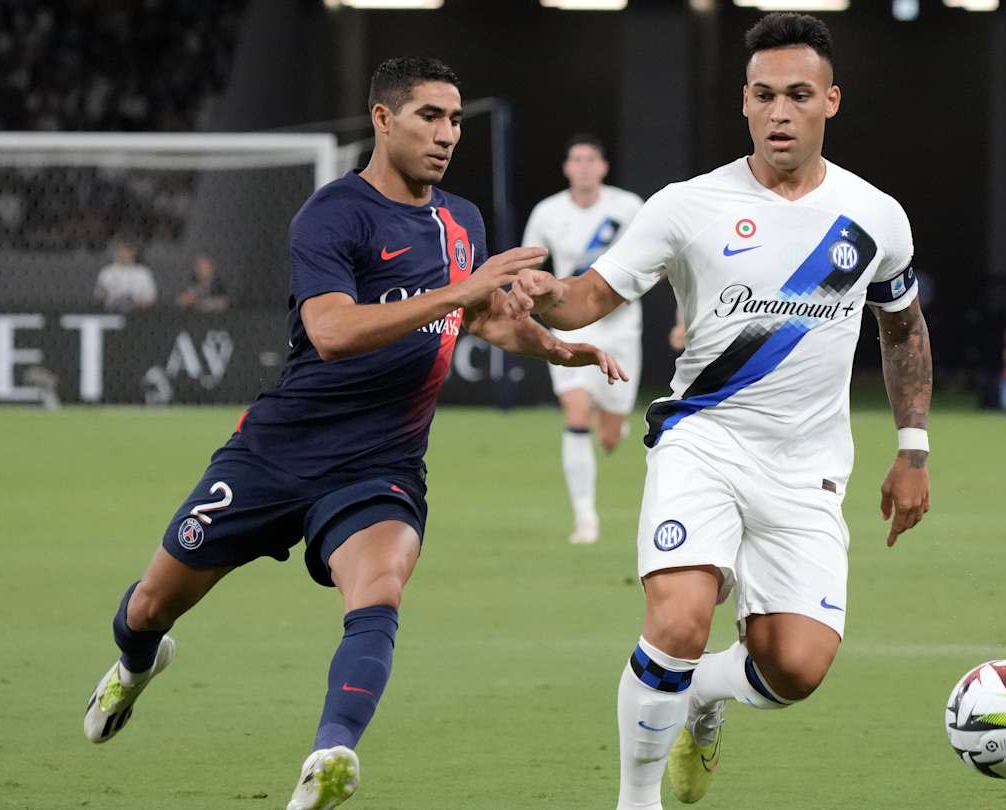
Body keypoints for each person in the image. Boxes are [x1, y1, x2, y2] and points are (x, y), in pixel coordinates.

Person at [80, 56, 626, 810]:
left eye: (455, 119)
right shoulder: (332, 214)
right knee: (149, 608)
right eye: (429, 116)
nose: (447, 134)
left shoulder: (461, 222)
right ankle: (135, 667)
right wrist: (458, 291)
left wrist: (558, 348)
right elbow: (332, 331)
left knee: (380, 590)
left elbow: (482, 316)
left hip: (382, 462)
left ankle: (330, 755)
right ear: (382, 119)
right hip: (277, 451)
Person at [509, 14, 933, 808]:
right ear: (744, 101)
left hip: (807, 467)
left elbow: (902, 327)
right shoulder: (687, 205)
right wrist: (544, 297)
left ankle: (703, 690)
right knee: (678, 620)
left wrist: (913, 448)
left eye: (798, 95)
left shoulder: (875, 216)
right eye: (764, 95)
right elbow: (589, 296)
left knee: (795, 668)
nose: (780, 112)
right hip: (702, 441)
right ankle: (636, 800)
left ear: (831, 101)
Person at [521, 134, 645, 544]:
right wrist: (524, 298)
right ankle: (585, 518)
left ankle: (613, 421)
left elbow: (662, 259)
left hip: (620, 325)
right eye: (577, 159)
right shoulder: (548, 212)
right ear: (567, 168)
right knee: (576, 412)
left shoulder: (628, 207)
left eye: (592, 159)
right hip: (571, 322)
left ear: (603, 167)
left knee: (609, 435)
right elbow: (529, 262)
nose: (585, 166)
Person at [94, 241, 158, 312]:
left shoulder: (143, 273)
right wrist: (103, 295)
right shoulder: (106, 271)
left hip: (138, 312)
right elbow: (98, 294)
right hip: (111, 311)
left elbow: (151, 298)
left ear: (133, 253)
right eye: (120, 251)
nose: (123, 254)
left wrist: (135, 303)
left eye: (126, 251)